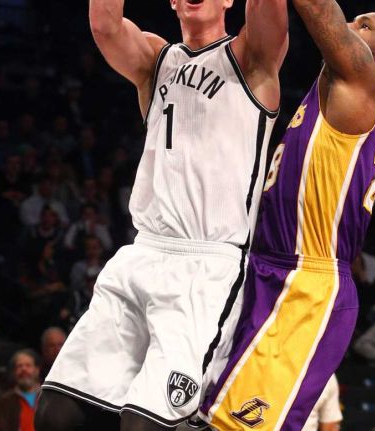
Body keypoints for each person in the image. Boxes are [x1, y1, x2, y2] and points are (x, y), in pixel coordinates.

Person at [37, 0, 289, 428]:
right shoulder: (157, 61)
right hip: (142, 253)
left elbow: (271, 14)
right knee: (57, 416)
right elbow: (104, 25)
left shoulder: (250, 58)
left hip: (207, 266)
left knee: (145, 426)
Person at [199, 1, 375, 429]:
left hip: (305, 283)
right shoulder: (340, 89)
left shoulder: (365, 81)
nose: (352, 25)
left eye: (364, 25)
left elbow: (319, 9)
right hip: (265, 267)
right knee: (204, 413)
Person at [0, 349, 41, 431]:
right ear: (14, 372)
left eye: (28, 365)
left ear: (37, 370)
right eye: (19, 366)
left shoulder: (48, 397)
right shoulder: (5, 401)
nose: (24, 369)